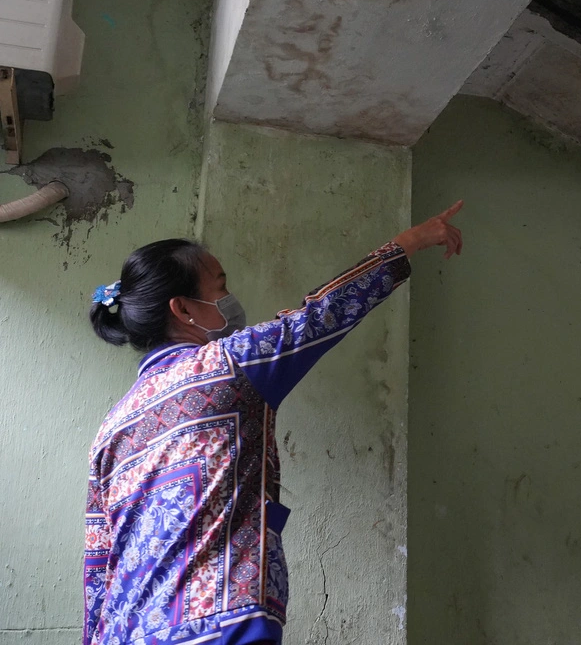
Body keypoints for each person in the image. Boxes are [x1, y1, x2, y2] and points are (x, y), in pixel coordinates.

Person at [82, 202, 465, 645]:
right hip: (218, 626)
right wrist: (410, 242)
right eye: (220, 287)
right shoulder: (228, 363)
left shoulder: (111, 427)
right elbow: (323, 313)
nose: (230, 299)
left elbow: (99, 559)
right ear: (183, 309)